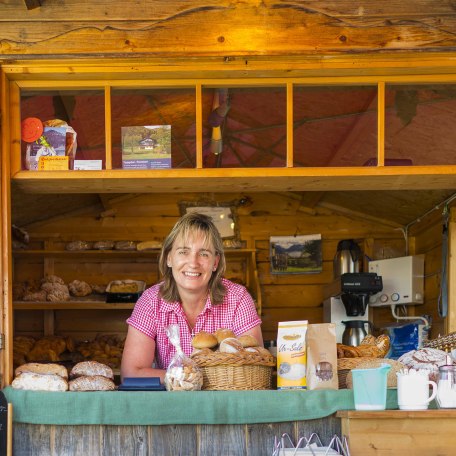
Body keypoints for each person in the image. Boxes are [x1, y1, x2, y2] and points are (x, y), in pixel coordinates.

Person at [121, 212, 263, 381]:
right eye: (183, 252)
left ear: (215, 262)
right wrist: (189, 376)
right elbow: (131, 373)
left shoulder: (238, 298)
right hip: (170, 404)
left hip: (224, 404)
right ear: (169, 258)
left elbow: (255, 367)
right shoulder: (151, 301)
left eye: (203, 253)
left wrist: (185, 377)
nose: (193, 263)